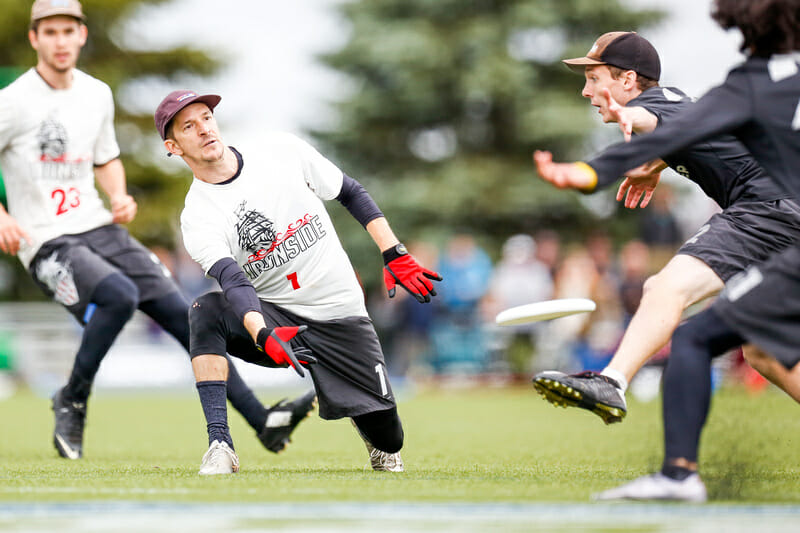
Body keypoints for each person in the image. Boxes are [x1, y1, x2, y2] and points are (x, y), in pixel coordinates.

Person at [0, 0, 315, 462]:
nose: (61, 40)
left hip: (97, 225)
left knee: (181, 311)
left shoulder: (96, 94)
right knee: (118, 296)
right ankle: (72, 396)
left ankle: (261, 421)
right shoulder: (14, 100)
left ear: (82, 35)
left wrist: (119, 193)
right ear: (35, 39)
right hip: (45, 238)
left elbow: (105, 157)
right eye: (50, 32)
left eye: (68, 30)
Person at [534, 0, 800, 501]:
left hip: (765, 211)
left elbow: (650, 118)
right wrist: (657, 163)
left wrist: (625, 132)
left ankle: (612, 381)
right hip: (786, 214)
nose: (587, 91)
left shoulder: (650, 106)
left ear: (629, 81)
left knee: (665, 286)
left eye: (595, 79)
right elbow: (694, 131)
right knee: (764, 352)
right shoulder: (678, 103)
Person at [153, 89, 442, 475]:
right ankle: (220, 443)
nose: (204, 129)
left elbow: (350, 192)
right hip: (277, 320)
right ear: (173, 146)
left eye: (206, 117)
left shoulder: (279, 150)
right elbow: (233, 281)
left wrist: (393, 251)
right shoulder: (198, 215)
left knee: (390, 440)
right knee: (205, 311)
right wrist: (261, 334)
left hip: (341, 313)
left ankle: (353, 406)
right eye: (189, 126)